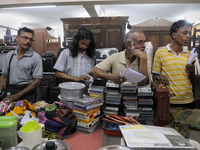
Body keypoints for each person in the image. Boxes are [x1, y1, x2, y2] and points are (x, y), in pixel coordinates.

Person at [152, 20, 195, 108]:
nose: (188, 36)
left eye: (189, 33)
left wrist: (192, 71)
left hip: (188, 100)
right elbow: (154, 76)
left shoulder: (190, 55)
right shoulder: (160, 53)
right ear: (174, 35)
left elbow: (192, 80)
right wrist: (160, 76)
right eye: (185, 33)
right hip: (167, 100)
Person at [0, 27, 43, 103]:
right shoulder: (9, 55)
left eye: (30, 39)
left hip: (27, 92)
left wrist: (17, 96)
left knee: (25, 113)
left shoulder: (36, 57)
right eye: (25, 38)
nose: (28, 41)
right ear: (17, 38)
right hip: (11, 89)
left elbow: (37, 82)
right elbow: (4, 76)